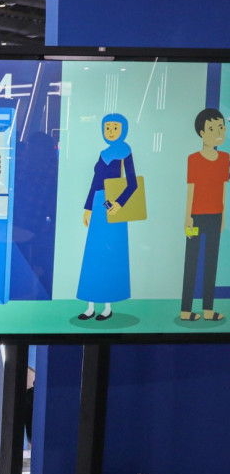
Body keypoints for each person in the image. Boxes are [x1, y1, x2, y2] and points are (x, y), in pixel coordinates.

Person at [76, 113, 137, 321]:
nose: (111, 131)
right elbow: (96, 182)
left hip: (113, 206)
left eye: (115, 127)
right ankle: (90, 306)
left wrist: (119, 203)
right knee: (94, 254)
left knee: (110, 255)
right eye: (107, 127)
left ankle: (107, 307)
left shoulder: (125, 152)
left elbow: (132, 183)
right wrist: (88, 208)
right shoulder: (103, 154)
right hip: (100, 203)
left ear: (123, 130)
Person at [181, 108, 229, 321]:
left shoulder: (225, 158)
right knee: (191, 261)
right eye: (211, 128)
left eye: (220, 127)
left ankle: (208, 310)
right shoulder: (193, 159)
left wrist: (223, 217)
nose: (218, 132)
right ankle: (185, 310)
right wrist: (187, 217)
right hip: (196, 217)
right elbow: (191, 189)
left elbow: (223, 189)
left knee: (211, 261)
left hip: (215, 217)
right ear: (202, 133)